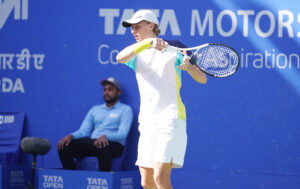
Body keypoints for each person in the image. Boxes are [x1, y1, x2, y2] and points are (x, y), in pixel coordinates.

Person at [116, 10, 207, 189]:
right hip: (147, 122)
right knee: (146, 182)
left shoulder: (175, 48)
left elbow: (202, 78)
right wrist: (148, 43)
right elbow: (119, 57)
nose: (133, 31)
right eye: (131, 28)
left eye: (137, 26)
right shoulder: (137, 52)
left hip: (170, 119)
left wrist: (189, 68)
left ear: (151, 25)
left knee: (160, 178)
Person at [57, 77, 133, 172]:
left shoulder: (125, 109)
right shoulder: (95, 110)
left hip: (114, 145)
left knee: (102, 145)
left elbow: (123, 134)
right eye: (104, 90)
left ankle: (104, 181)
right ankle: (72, 177)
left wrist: (106, 136)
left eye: (110, 89)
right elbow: (84, 130)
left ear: (118, 92)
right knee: (64, 146)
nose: (106, 92)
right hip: (94, 142)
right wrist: (71, 136)